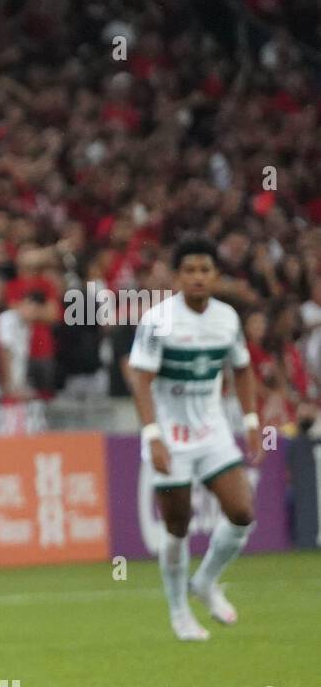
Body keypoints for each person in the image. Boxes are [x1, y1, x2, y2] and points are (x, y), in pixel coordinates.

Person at [126, 237, 260, 642]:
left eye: (205, 270)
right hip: (169, 433)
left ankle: (204, 582)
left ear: (216, 276)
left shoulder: (227, 319)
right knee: (177, 525)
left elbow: (242, 368)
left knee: (241, 511)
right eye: (190, 270)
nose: (198, 277)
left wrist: (251, 419)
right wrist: (152, 436)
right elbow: (141, 378)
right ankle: (179, 612)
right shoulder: (158, 320)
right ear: (178, 277)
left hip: (212, 429)